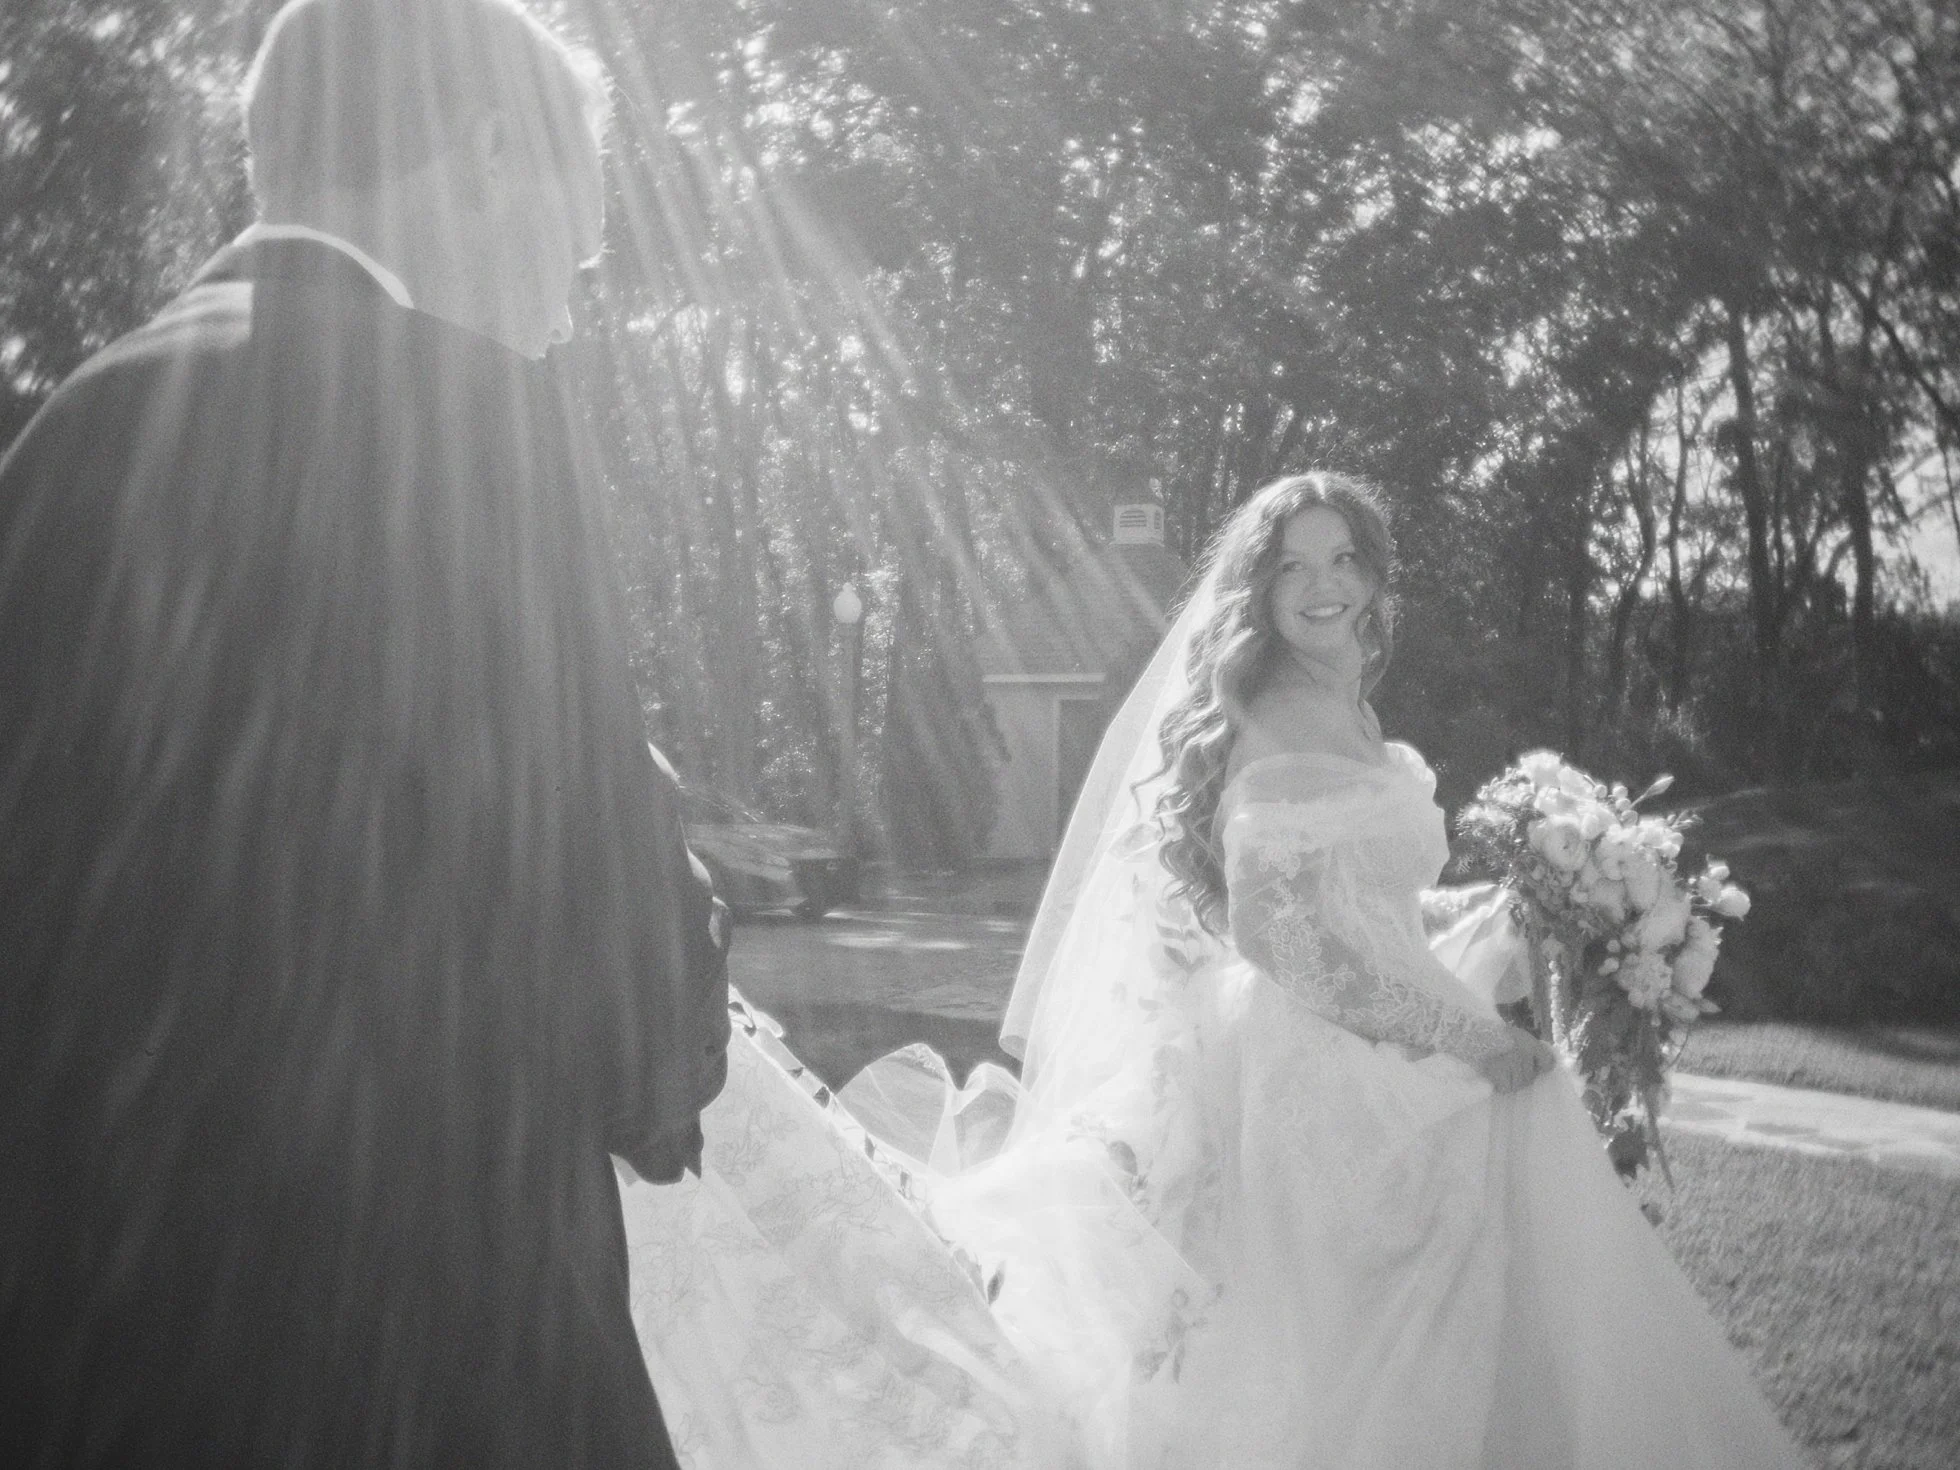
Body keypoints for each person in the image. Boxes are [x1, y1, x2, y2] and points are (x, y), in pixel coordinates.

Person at [618, 469, 1806, 1468]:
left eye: (1343, 560)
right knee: (1354, 1348)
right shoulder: (1263, 720)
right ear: (1261, 586)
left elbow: (1367, 902)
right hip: (1324, 1083)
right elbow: (1281, 939)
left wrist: (1525, 894)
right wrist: (1468, 1038)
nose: (1323, 587)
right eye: (1294, 567)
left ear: (1377, 576)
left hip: (1408, 1041)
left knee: (1486, 1302)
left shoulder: (1354, 717)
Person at [0, 3, 728, 1466]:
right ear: (485, 155)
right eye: (577, 247)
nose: (572, 306)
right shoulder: (467, 422)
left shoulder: (76, 423)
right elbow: (602, 925)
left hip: (99, 1336)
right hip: (425, 1328)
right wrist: (675, 1032)